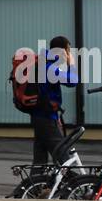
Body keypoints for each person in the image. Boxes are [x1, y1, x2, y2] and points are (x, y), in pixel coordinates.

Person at [31, 35, 79, 174]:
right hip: (45, 118)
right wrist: (72, 64)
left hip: (41, 116)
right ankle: (75, 187)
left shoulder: (45, 64)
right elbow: (72, 81)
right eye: (68, 50)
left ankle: (34, 188)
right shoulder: (49, 67)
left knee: (40, 160)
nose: (69, 54)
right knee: (63, 156)